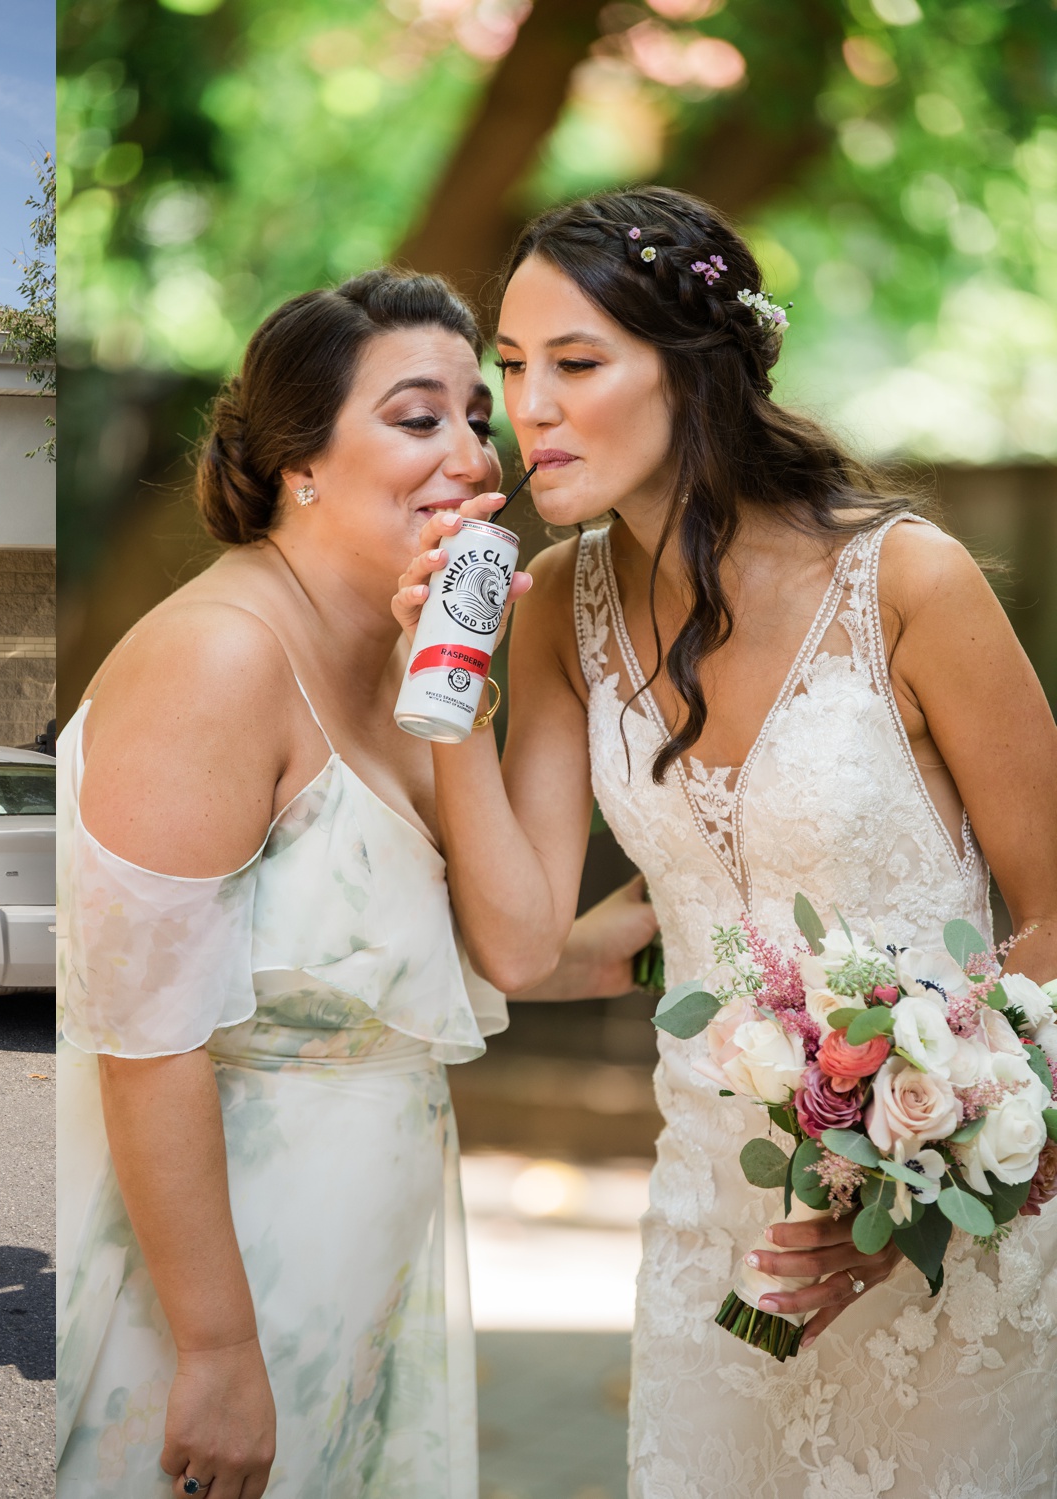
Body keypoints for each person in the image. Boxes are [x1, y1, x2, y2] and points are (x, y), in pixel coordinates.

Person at [394, 186, 1057, 1494]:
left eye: (576, 364)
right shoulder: (560, 606)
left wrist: (924, 1170)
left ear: (695, 372)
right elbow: (525, 939)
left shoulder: (909, 580)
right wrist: (444, 691)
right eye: (513, 370)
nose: (528, 409)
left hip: (957, 1224)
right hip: (714, 1217)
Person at [56, 269, 658, 1499]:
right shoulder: (215, 657)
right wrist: (219, 1352)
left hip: (361, 1263)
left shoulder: (415, 653)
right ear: (299, 464)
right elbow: (145, 1040)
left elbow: (502, 947)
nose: (471, 455)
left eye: (474, 419)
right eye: (416, 417)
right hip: (214, 1281)